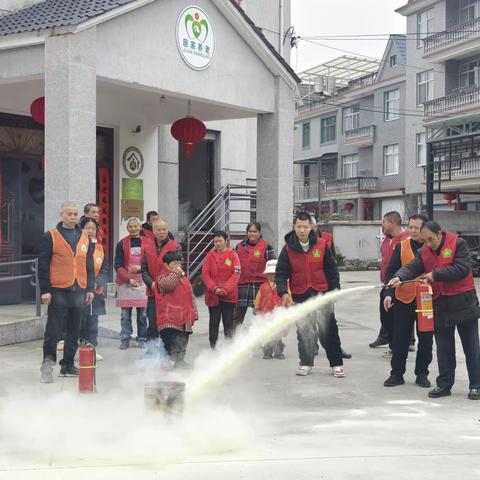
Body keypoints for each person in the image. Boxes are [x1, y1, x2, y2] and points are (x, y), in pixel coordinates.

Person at [389, 221, 480, 400]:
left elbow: (462, 269)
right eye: (425, 241)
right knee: (444, 348)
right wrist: (399, 276)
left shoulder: (457, 244)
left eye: (431, 239)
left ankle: (476, 385)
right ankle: (444, 384)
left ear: (439, 234)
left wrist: (435, 274)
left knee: (471, 348)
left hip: (464, 304)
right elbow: (413, 267)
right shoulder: (424, 251)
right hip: (441, 305)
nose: (429, 244)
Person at [275, 212, 345, 377]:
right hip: (300, 294)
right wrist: (283, 292)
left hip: (322, 294)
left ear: (311, 227)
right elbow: (281, 273)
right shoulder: (288, 248)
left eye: (305, 227)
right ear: (294, 227)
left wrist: (334, 290)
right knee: (304, 330)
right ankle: (306, 363)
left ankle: (336, 364)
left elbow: (332, 271)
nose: (302, 230)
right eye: (299, 226)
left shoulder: (321, 245)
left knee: (328, 330)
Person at [38, 202, 95, 383]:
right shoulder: (51, 236)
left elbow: (89, 265)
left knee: (74, 330)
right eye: (69, 214)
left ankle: (68, 364)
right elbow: (43, 265)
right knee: (53, 330)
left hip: (79, 289)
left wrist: (90, 288)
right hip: (58, 290)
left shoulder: (85, 236)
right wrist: (45, 290)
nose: (72, 217)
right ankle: (47, 366)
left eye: (75, 214)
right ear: (61, 214)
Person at [382, 214, 433, 388]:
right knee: (400, 338)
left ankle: (422, 374)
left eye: (416, 228)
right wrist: (388, 293)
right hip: (404, 298)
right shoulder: (400, 247)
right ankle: (396, 374)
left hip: (426, 300)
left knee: (426, 339)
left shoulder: (432, 247)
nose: (412, 231)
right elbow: (391, 273)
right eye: (410, 227)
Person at [369, 211, 410, 351]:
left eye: (383, 222)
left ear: (391, 222)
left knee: (401, 314)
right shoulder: (387, 239)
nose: (382, 226)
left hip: (401, 283)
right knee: (387, 311)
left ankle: (404, 341)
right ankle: (386, 336)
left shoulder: (406, 240)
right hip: (387, 283)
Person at [141, 219, 182, 356]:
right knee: (152, 324)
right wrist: (151, 284)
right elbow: (144, 269)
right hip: (152, 292)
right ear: (153, 231)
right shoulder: (147, 246)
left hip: (169, 293)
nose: (162, 232)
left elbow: (178, 270)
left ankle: (168, 353)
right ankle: (151, 352)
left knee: (168, 324)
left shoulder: (175, 246)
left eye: (164, 229)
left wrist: (165, 285)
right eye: (159, 229)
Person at [155, 251, 198, 368]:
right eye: (174, 263)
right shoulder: (161, 278)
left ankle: (180, 362)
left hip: (185, 317)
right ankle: (167, 365)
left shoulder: (184, 279)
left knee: (183, 341)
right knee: (170, 344)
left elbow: (191, 297)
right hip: (169, 319)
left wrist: (194, 313)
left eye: (179, 263)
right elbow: (168, 286)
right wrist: (177, 272)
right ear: (166, 265)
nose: (178, 266)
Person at [202, 230, 241, 349]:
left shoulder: (232, 255)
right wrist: (214, 288)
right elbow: (205, 274)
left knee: (228, 322)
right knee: (213, 322)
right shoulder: (210, 256)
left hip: (228, 295)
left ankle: (229, 347)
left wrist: (225, 289)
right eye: (215, 241)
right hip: (213, 295)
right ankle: (213, 346)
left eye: (220, 241)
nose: (218, 244)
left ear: (226, 241)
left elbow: (236, 273)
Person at [233, 222, 275, 330]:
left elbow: (273, 266)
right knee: (235, 317)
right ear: (247, 233)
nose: (252, 234)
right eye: (250, 231)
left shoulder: (267, 247)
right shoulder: (239, 246)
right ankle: (232, 342)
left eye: (255, 231)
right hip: (241, 286)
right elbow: (231, 263)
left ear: (260, 233)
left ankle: (263, 341)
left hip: (259, 287)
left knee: (260, 316)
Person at [114, 217, 148, 350]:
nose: (133, 229)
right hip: (125, 282)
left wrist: (141, 268)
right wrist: (128, 278)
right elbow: (117, 265)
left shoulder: (148, 243)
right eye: (130, 226)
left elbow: (152, 262)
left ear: (140, 228)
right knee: (125, 315)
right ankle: (125, 339)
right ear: (127, 229)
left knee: (142, 315)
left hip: (143, 282)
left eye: (135, 226)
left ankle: (142, 338)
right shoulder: (121, 244)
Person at [79, 217, 109, 361]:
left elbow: (105, 269)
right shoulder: (76, 246)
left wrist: (97, 283)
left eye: (93, 228)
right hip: (79, 291)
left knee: (93, 322)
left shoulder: (100, 248)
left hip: (96, 292)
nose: (91, 231)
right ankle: (77, 349)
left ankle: (91, 349)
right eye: (87, 228)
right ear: (81, 229)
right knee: (79, 322)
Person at [254, 259, 290, 360]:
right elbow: (258, 299)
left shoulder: (284, 286)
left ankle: (279, 352)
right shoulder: (263, 287)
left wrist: (289, 309)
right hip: (266, 315)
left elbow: (289, 299)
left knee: (278, 334)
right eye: (269, 274)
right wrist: (257, 309)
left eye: (274, 274)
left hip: (279, 315)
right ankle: (267, 352)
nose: (271, 276)